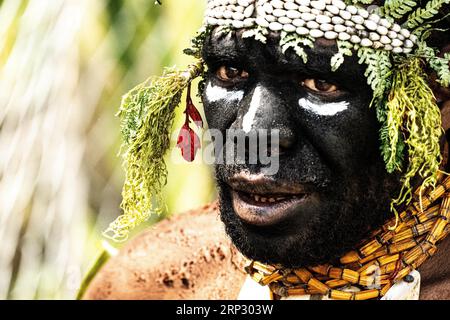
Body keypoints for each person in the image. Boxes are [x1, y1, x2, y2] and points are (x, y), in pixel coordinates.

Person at [80, 0, 450, 300]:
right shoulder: (154, 282)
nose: (252, 133)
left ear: (437, 98)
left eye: (321, 82)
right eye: (229, 72)